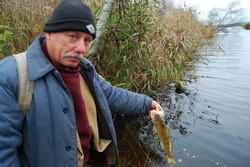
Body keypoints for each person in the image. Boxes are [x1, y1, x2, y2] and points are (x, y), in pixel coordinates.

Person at [0, 0, 163, 167]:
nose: (81, 48)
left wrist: (146, 103)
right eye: (73, 37)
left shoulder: (84, 70)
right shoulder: (10, 76)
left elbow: (110, 95)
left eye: (87, 40)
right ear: (49, 33)